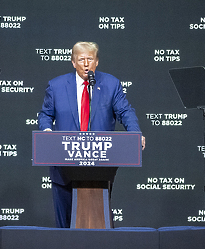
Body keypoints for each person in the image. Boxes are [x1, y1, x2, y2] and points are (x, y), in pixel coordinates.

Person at [38, 41, 144, 228]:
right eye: (81, 60)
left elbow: (125, 112)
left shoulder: (111, 84)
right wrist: (47, 132)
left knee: (98, 216)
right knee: (64, 223)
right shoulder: (56, 86)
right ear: (73, 63)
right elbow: (46, 114)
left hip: (100, 163)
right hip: (64, 163)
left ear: (96, 62)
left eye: (90, 59)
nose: (86, 64)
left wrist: (134, 134)